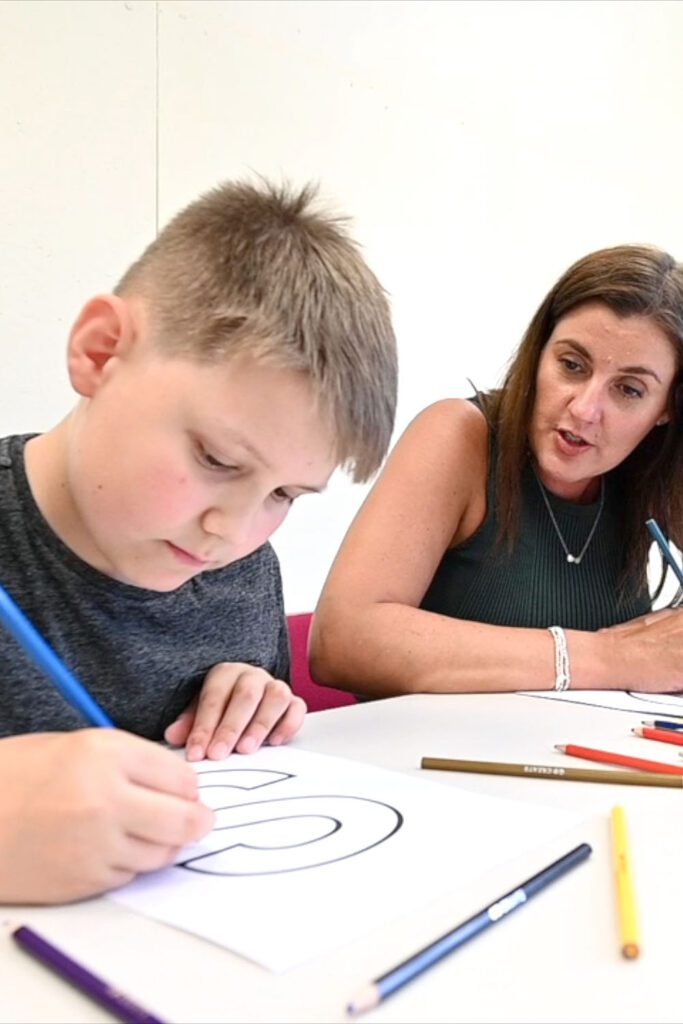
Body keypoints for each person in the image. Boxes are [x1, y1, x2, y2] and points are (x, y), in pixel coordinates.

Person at [0, 179, 397, 902]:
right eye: (216, 461)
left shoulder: (245, 572)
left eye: (282, 496)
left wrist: (259, 702)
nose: (234, 531)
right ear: (100, 352)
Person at [310, 244, 683, 699]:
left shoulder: (650, 465)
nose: (585, 409)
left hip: (585, 759)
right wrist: (613, 658)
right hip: (426, 763)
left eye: (628, 389)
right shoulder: (459, 436)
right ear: (539, 350)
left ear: (667, 408)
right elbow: (343, 641)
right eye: (571, 365)